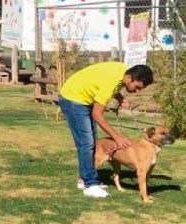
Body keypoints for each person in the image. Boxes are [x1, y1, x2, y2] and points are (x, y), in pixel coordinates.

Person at [58, 62, 154, 198]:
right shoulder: (112, 81)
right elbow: (97, 115)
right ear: (129, 78)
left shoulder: (123, 71)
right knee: (86, 143)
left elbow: (106, 84)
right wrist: (117, 137)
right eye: (137, 87)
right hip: (73, 99)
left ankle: (84, 179)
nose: (137, 91)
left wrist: (120, 98)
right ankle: (90, 185)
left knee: (92, 142)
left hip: (84, 97)